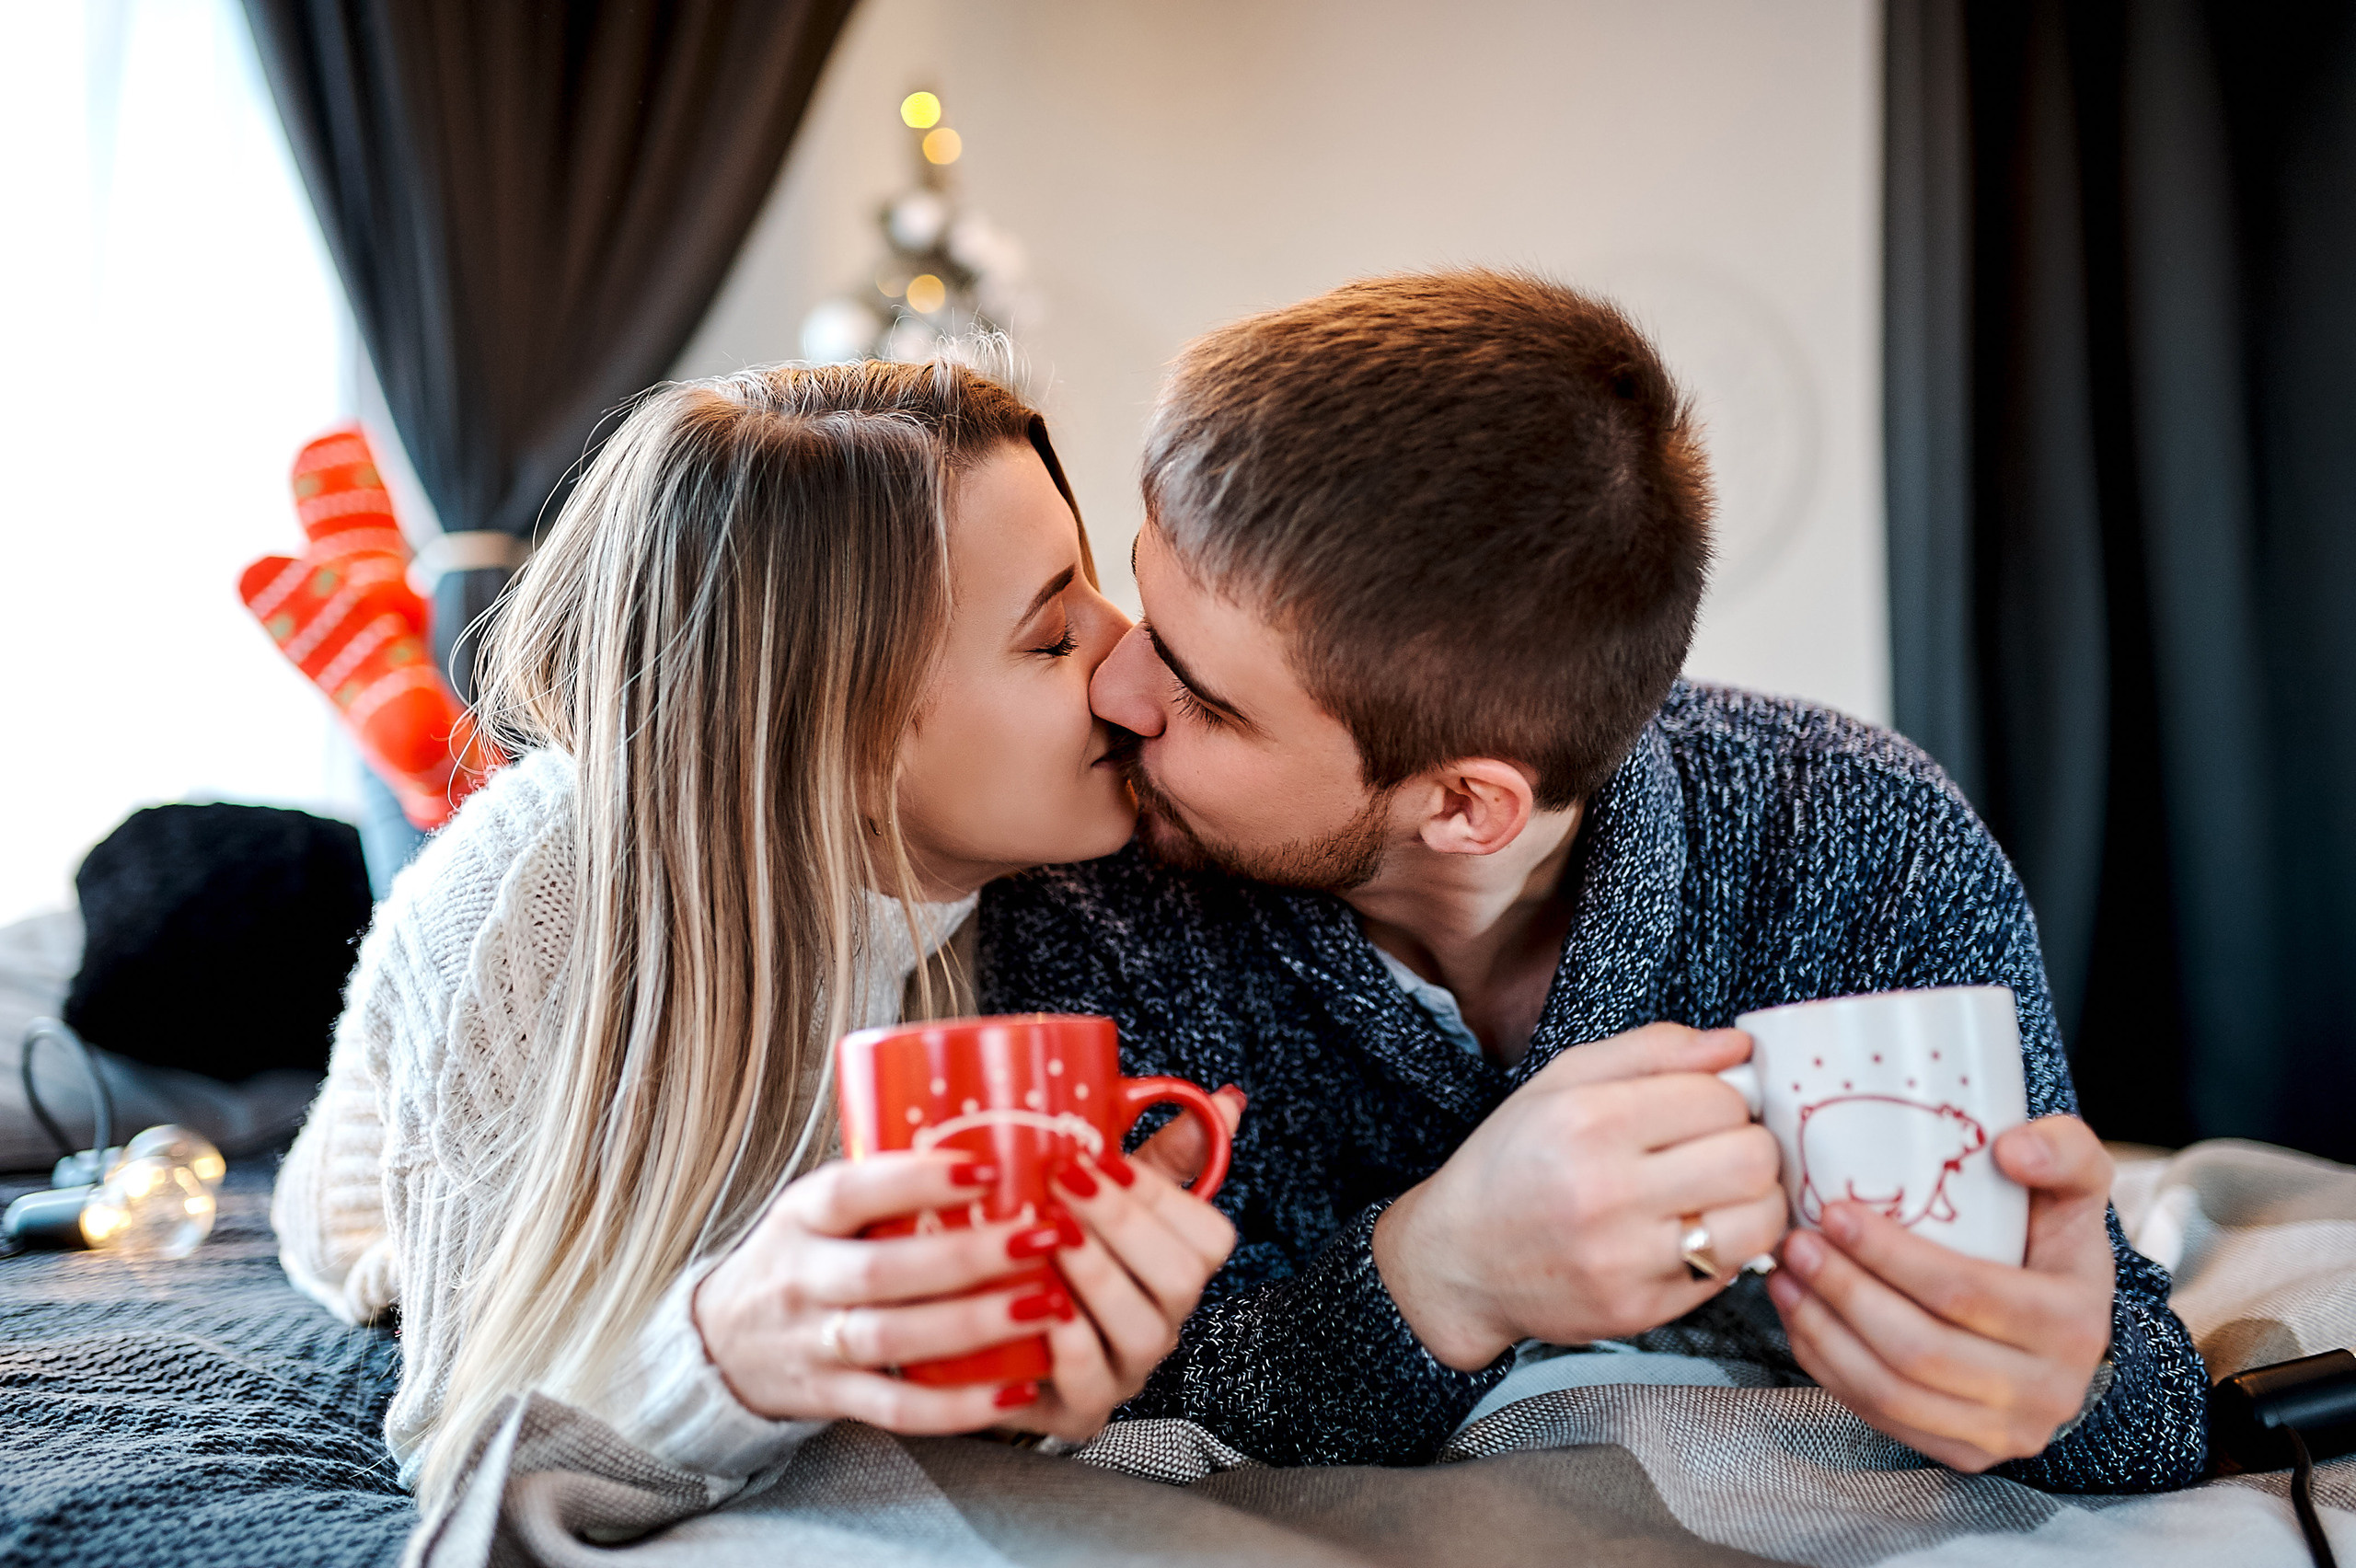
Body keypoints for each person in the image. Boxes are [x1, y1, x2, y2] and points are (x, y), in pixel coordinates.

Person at [979, 271, 2210, 1491]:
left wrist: (2069, 1384)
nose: (1115, 688)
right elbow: (1093, 1394)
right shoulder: (1092, 893)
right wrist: (1438, 1274)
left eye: (1201, 694)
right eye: (1145, 605)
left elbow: (2154, 1401)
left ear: (1465, 805)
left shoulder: (1863, 851)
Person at [271, 361, 1238, 1504]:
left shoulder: (1075, 884)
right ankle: (384, 663)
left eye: (1094, 588)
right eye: (1049, 634)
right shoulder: (539, 898)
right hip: (400, 1196)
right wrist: (739, 1353)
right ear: (834, 720)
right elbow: (467, 1427)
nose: (1131, 660)